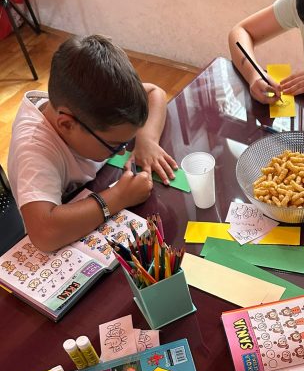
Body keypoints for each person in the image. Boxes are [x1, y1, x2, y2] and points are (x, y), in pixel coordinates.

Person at [7, 34, 177, 251]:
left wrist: (147, 139)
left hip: (97, 189)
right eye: (115, 145)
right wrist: (118, 197)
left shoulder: (90, 106)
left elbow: (155, 92)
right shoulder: (33, 149)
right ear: (67, 124)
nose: (122, 151)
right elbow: (44, 234)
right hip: (64, 238)